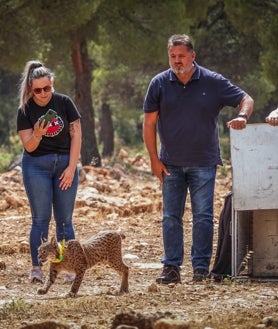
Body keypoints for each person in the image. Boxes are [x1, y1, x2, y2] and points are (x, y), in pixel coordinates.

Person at [143, 34, 254, 284]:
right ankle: (171, 268)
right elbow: (149, 124)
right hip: (169, 163)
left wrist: (243, 117)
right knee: (171, 216)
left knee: (203, 216)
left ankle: (200, 269)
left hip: (204, 162)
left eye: (182, 56)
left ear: (193, 56)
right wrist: (153, 159)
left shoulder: (213, 81)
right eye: (173, 56)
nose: (177, 61)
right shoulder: (159, 83)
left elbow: (245, 100)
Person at [17, 60, 82, 282]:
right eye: (38, 90)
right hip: (36, 166)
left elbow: (76, 135)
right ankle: (37, 268)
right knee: (40, 219)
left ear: (52, 83)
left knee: (65, 220)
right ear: (30, 89)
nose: (43, 93)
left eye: (47, 88)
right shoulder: (25, 110)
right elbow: (29, 146)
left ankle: (67, 267)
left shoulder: (64, 102)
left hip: (65, 163)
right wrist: (37, 134)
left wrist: (72, 168)